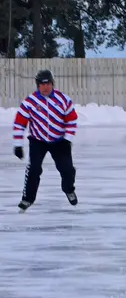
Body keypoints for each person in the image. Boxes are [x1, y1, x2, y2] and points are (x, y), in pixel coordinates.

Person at [12, 70, 79, 212]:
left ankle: (68, 190)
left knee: (67, 170)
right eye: (42, 84)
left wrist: (67, 139)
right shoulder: (30, 102)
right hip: (38, 141)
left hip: (59, 141)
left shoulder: (63, 100)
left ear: (52, 83)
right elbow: (19, 123)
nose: (45, 87)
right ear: (38, 85)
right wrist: (18, 144)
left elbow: (72, 120)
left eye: (48, 83)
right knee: (34, 169)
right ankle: (28, 199)